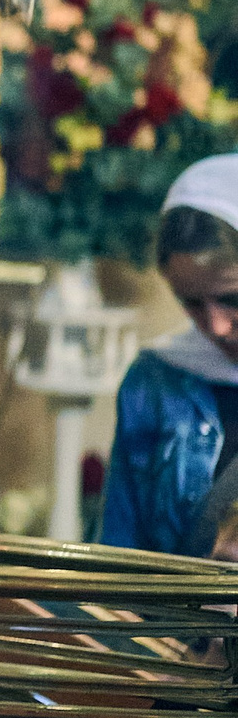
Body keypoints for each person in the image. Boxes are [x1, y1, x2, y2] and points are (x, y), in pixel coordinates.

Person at [101, 157, 238, 555]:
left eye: (232, 299)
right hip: (164, 616)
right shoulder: (156, 380)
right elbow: (118, 550)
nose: (215, 326)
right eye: (191, 303)